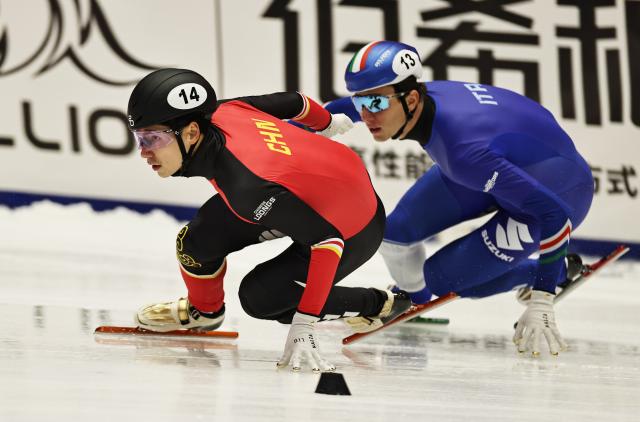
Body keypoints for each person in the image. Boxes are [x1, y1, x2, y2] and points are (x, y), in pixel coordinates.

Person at [126, 68, 411, 372]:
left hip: (354, 225)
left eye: (152, 138)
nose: (144, 152)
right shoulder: (222, 110)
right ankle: (204, 312)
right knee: (196, 242)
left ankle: (378, 304)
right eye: (139, 138)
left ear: (192, 132)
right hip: (303, 190)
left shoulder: (246, 187)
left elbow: (327, 239)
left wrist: (304, 324)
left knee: (263, 299)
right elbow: (294, 102)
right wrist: (325, 122)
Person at [324, 41, 594, 356]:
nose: (367, 115)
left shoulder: (463, 153)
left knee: (445, 281)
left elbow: (554, 215)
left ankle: (557, 271)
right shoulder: (417, 96)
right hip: (500, 163)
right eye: (362, 102)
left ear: (411, 98)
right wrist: (281, 130)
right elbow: (340, 108)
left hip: (557, 195)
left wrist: (544, 298)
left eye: (376, 104)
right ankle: (413, 300)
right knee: (395, 234)